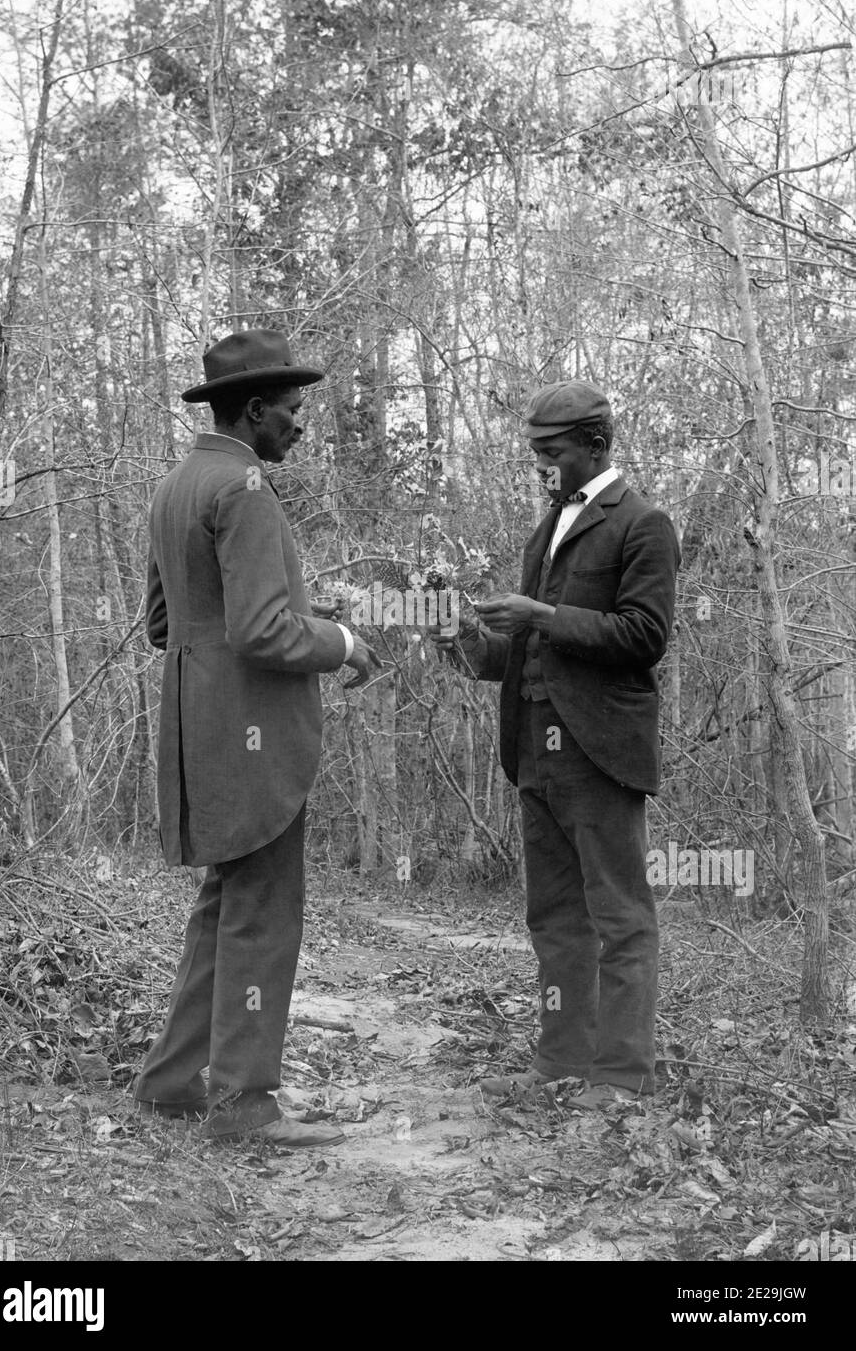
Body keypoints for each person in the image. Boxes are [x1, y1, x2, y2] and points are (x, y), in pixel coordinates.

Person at [135, 328, 380, 1145]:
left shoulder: (177, 484)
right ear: (251, 410)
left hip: (195, 728)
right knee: (262, 913)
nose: (299, 425)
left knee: (224, 903)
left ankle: (171, 1078)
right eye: (290, 410)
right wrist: (342, 642)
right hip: (250, 733)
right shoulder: (242, 487)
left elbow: (163, 624)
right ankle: (244, 1105)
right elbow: (266, 632)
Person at [433, 380, 680, 1112]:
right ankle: (559, 1062)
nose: (541, 468)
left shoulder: (643, 523)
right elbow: (526, 653)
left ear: (595, 444)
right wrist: (469, 644)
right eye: (535, 454)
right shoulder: (545, 527)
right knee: (552, 919)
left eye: (552, 453)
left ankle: (623, 1076)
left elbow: (644, 637)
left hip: (600, 751)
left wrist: (538, 611)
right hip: (534, 752)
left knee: (620, 918)